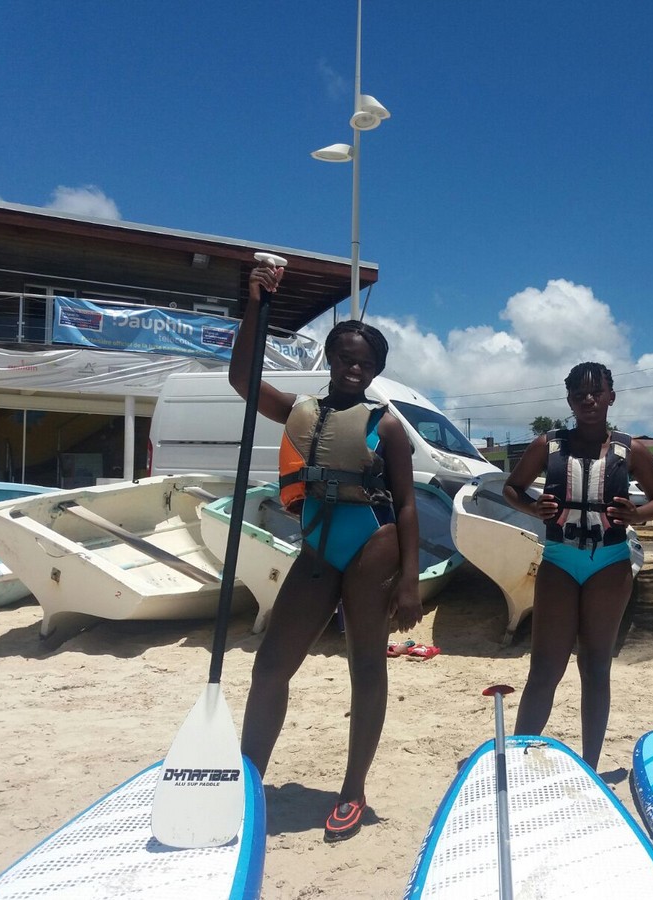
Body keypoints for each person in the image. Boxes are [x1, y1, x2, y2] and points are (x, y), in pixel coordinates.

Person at [229, 259, 422, 842]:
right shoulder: (300, 411)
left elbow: (409, 506)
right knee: (270, 669)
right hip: (315, 552)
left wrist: (410, 582)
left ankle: (353, 790)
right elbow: (242, 380)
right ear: (330, 361)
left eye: (365, 362)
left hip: (372, 550)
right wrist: (257, 303)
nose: (355, 368)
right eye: (345, 359)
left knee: (366, 667)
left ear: (377, 369)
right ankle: (247, 780)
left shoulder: (386, 427)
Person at [503, 362, 653, 769]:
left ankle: (590, 765)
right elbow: (511, 487)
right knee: (545, 666)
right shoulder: (548, 445)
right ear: (569, 401)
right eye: (580, 394)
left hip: (610, 564)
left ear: (612, 396)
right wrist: (531, 506)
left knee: (595, 665)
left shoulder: (630, 450)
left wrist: (638, 514)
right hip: (560, 562)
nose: (589, 399)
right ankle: (517, 759)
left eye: (597, 392)